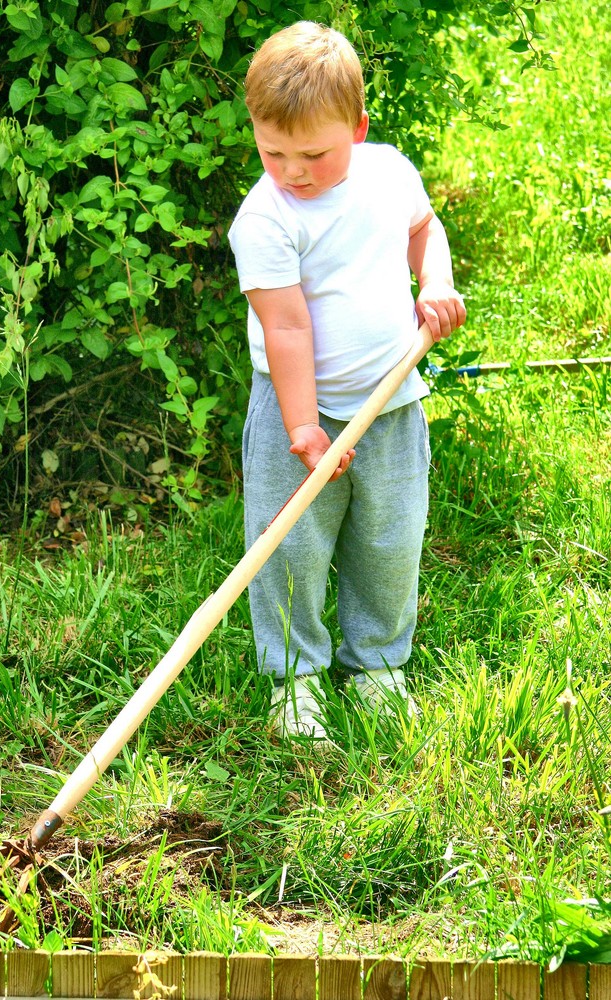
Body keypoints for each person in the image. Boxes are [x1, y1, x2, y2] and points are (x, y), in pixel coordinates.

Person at [228, 21, 466, 737]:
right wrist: (303, 426)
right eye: (273, 152)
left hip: (391, 400)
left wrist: (436, 281)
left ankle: (376, 663)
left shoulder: (389, 172)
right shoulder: (264, 218)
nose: (293, 170)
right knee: (290, 544)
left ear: (358, 129)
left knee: (390, 539)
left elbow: (423, 229)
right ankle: (295, 678)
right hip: (293, 410)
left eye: (314, 154)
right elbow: (288, 328)